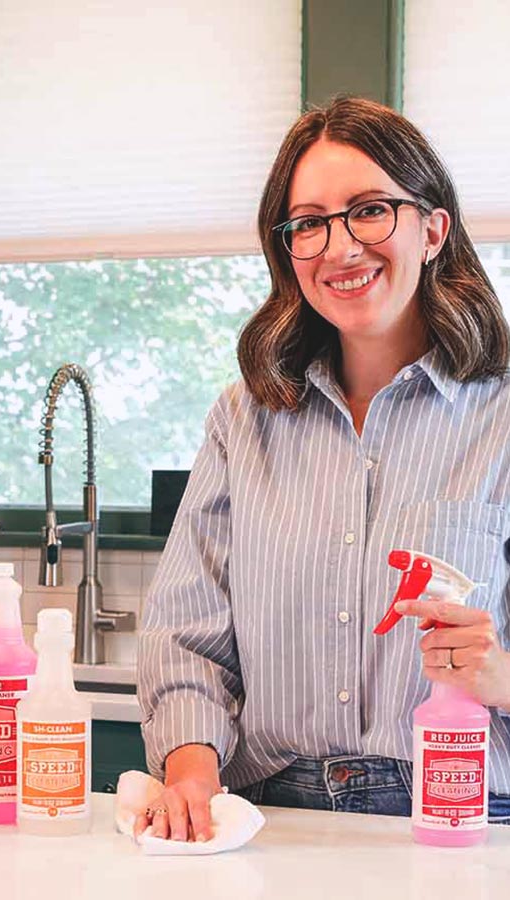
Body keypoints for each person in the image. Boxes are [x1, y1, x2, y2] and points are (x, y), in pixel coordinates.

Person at [136, 96, 510, 842]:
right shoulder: (243, 419)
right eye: (308, 223)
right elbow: (184, 635)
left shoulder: (499, 417)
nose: (339, 248)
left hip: (463, 817)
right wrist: (189, 773)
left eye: (369, 210)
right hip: (270, 817)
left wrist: (499, 677)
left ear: (432, 230)